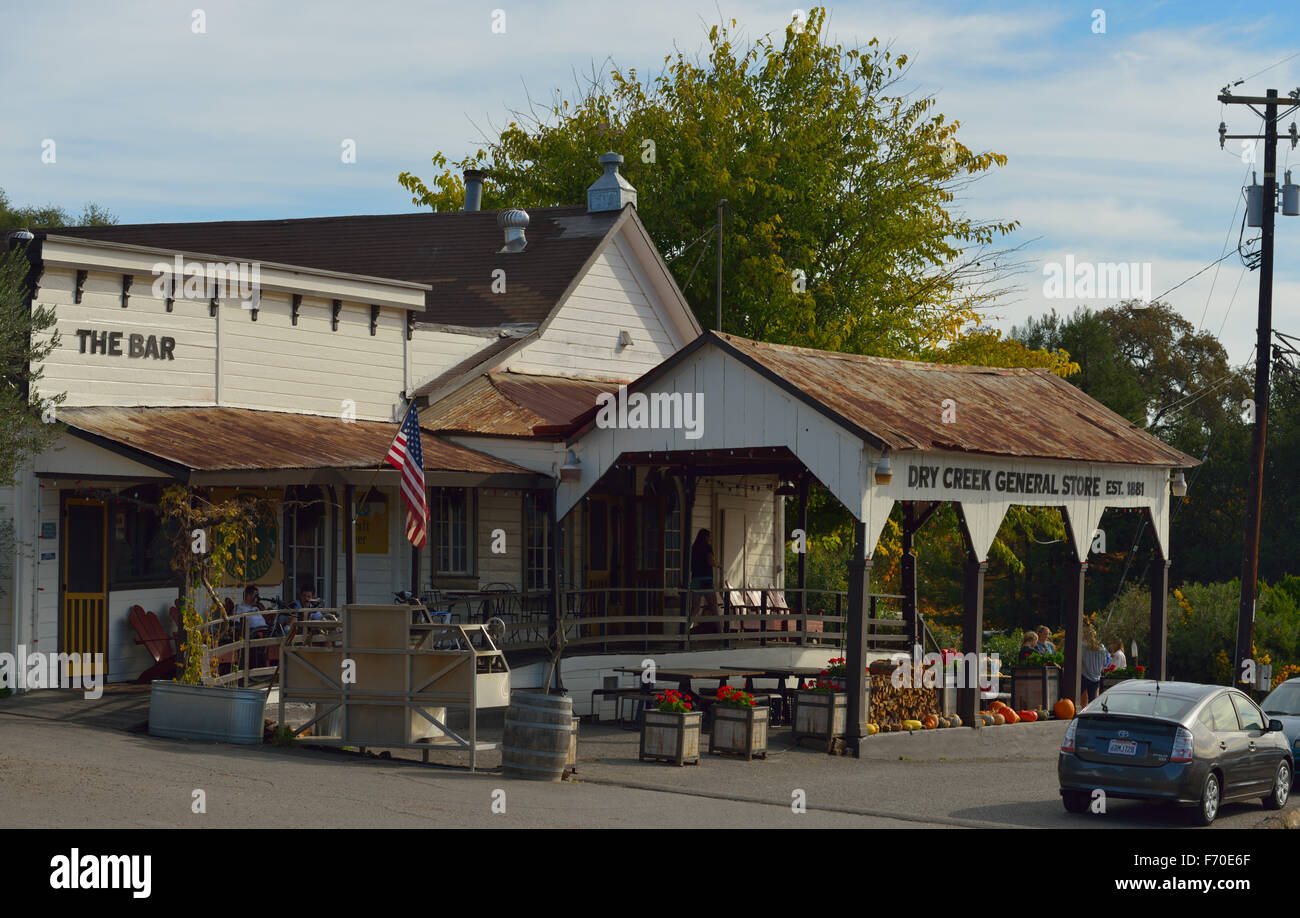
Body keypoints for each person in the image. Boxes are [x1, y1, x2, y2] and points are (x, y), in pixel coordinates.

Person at [689, 529, 719, 621]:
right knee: (714, 607)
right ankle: (720, 629)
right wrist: (718, 565)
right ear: (705, 537)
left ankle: (687, 627)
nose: (710, 539)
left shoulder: (694, 548)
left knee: (695, 608)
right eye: (709, 537)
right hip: (706, 580)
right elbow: (710, 561)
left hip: (695, 579)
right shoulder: (707, 547)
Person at [1081, 622, 1109, 705]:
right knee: (1092, 701)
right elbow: (1105, 662)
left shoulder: (1082, 646)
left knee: (1077, 699)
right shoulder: (1102, 648)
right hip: (1096, 678)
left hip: (1085, 676)